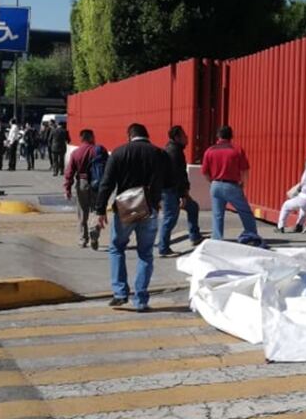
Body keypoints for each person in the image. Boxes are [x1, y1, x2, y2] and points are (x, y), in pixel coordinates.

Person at [95, 123, 169, 311]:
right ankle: (141, 299)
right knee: (145, 253)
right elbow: (169, 180)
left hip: (125, 207)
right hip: (149, 208)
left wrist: (100, 209)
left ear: (129, 136)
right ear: (147, 135)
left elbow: (107, 182)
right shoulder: (159, 154)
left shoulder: (119, 153)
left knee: (117, 248)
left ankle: (120, 293)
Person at [201, 126, 262, 244]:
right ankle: (252, 235)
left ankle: (217, 239)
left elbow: (205, 172)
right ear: (231, 136)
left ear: (218, 136)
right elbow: (245, 169)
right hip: (232, 185)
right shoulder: (237, 149)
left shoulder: (210, 150)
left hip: (216, 184)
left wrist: (213, 181)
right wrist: (242, 183)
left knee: (217, 214)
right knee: (245, 211)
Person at [158, 125, 203, 257]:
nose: (187, 138)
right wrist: (182, 194)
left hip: (174, 189)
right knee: (170, 218)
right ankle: (163, 248)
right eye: (184, 135)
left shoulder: (174, 149)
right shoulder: (174, 152)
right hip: (171, 190)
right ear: (177, 137)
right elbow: (177, 175)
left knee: (193, 208)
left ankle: (195, 236)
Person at [64, 129, 103, 249]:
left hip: (82, 182)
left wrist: (67, 188)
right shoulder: (99, 150)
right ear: (91, 137)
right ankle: (94, 230)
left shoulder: (76, 153)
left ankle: (83, 239)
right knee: (96, 210)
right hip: (97, 184)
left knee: (82, 212)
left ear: (81, 138)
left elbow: (69, 172)